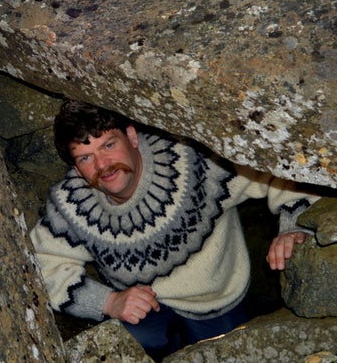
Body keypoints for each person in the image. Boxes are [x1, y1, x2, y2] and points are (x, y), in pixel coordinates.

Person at [29, 100, 320, 361]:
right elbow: (37, 265)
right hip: (150, 315)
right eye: (85, 158)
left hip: (219, 306)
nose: (102, 165)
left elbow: (276, 168)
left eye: (108, 145)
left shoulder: (192, 161)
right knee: (121, 346)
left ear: (132, 136)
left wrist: (293, 224)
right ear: (77, 169)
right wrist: (108, 301)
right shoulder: (72, 203)